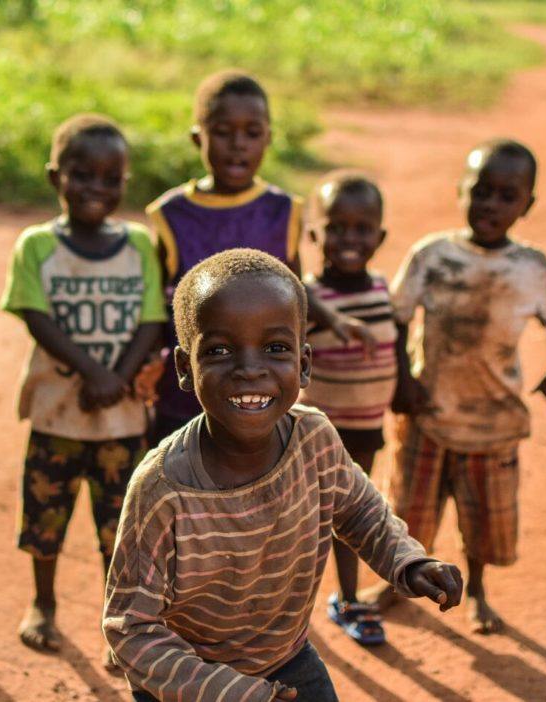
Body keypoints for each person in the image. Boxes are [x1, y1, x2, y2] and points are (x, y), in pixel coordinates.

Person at [103, 248, 462, 702]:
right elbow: (130, 629)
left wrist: (408, 561)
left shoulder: (313, 439)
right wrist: (236, 693)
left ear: (305, 363)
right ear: (183, 367)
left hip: (285, 660)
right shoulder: (162, 490)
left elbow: (360, 511)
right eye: (218, 350)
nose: (250, 369)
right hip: (188, 686)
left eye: (275, 348)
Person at [363, 139, 546, 635]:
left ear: (527, 205)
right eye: (481, 192)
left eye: (506, 196)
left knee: (480, 522)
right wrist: (404, 379)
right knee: (408, 508)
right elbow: (395, 317)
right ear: (460, 190)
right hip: (428, 414)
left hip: (493, 421)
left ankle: (476, 589)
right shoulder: (432, 255)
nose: (491, 206)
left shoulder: (531, 267)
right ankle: (397, 581)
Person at [0, 114, 166, 663]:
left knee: (120, 530)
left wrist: (116, 376)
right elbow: (36, 316)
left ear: (125, 181)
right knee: (45, 516)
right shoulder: (37, 246)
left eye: (111, 177)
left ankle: (117, 623)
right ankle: (42, 604)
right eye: (82, 175)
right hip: (57, 414)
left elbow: (150, 319)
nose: (97, 187)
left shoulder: (139, 244)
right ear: (55, 177)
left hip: (121, 418)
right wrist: (96, 374)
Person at [145, 69, 374, 444]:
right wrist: (147, 362)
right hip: (184, 396)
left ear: (268, 139)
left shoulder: (282, 211)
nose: (238, 145)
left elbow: (294, 289)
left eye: (252, 134)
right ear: (197, 137)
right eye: (222, 132)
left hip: (259, 393)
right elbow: (157, 304)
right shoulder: (171, 215)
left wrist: (332, 318)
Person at [297, 171, 398, 645]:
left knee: (350, 516)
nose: (349, 238)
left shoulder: (380, 288)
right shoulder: (306, 298)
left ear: (380, 236)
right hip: (316, 436)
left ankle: (350, 599)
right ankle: (284, 611)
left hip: (365, 429)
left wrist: (407, 389)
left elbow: (395, 348)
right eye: (337, 227)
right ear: (316, 233)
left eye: (362, 229)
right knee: (305, 521)